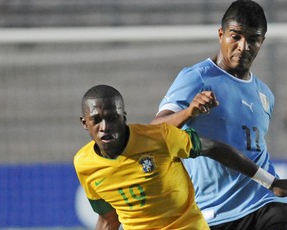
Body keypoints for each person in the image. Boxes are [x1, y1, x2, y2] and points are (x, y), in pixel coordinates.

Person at [151, 0, 287, 229]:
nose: (244, 46)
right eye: (236, 36)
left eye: (253, 39)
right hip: (216, 212)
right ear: (221, 34)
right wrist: (188, 112)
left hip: (263, 202)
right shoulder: (197, 78)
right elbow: (154, 131)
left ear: (261, 41)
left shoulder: (265, 94)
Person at [74, 84, 287, 230]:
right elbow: (107, 219)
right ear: (85, 123)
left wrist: (268, 181)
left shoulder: (159, 138)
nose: (105, 127)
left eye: (112, 118)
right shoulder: (84, 164)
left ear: (124, 117)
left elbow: (213, 148)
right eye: (96, 120)